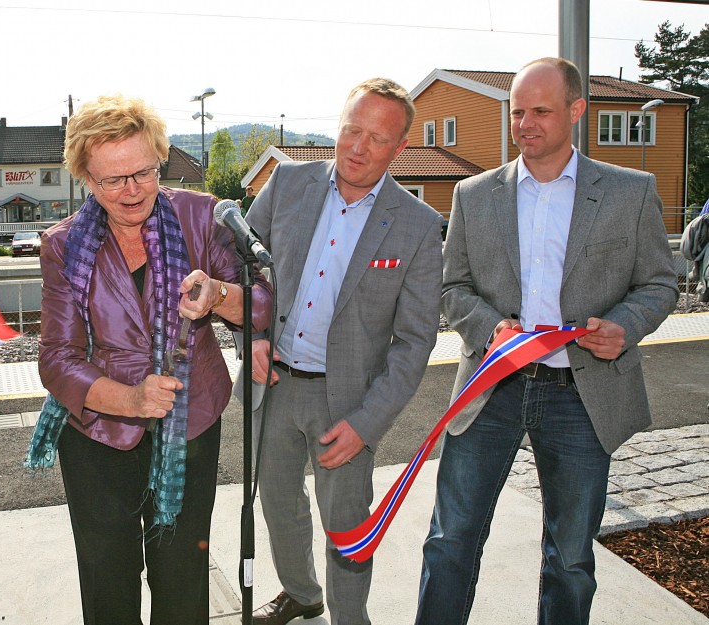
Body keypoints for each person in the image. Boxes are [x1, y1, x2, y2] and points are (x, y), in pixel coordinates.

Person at [414, 58, 678, 625]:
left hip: (581, 397)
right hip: (491, 389)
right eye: (517, 112)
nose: (525, 124)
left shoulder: (630, 193)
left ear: (577, 111)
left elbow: (659, 283)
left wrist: (625, 326)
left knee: (571, 559)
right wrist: (491, 329)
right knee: (449, 542)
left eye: (540, 111)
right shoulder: (473, 194)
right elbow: (451, 286)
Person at [34, 94, 273, 625]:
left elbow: (264, 303)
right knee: (108, 580)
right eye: (111, 180)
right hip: (97, 430)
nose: (131, 190)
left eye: (143, 172)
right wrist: (131, 399)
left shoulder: (200, 215)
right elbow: (57, 359)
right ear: (86, 180)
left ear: (160, 159)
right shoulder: (64, 244)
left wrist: (219, 295)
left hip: (191, 422)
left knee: (184, 577)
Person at [245, 78, 444, 625]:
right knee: (279, 504)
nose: (358, 147)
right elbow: (238, 263)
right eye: (352, 129)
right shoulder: (287, 183)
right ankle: (302, 594)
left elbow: (414, 343)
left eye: (376, 139)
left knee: (347, 524)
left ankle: (349, 618)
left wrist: (367, 424)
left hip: (348, 404)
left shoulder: (419, 226)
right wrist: (253, 335)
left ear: (399, 148)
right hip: (275, 384)